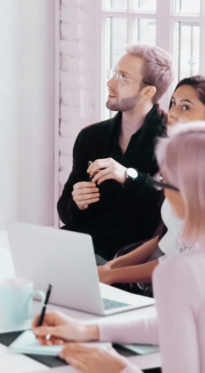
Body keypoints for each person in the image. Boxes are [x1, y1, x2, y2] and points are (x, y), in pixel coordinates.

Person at [34, 122, 205, 373]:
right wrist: (89, 331)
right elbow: (175, 324)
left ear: (189, 193)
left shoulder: (181, 273)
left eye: (165, 182)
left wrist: (112, 367)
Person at [98, 76, 205, 287]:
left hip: (197, 287)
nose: (172, 112)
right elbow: (169, 236)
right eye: (172, 103)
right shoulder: (185, 163)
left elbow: (187, 261)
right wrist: (113, 266)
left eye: (185, 107)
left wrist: (113, 275)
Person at [57, 44, 174, 261]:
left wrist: (128, 176)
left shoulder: (174, 141)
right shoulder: (91, 136)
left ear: (148, 91)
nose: (110, 83)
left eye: (123, 77)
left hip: (132, 258)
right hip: (84, 247)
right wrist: (78, 203)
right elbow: (65, 211)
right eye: (114, 73)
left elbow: (171, 207)